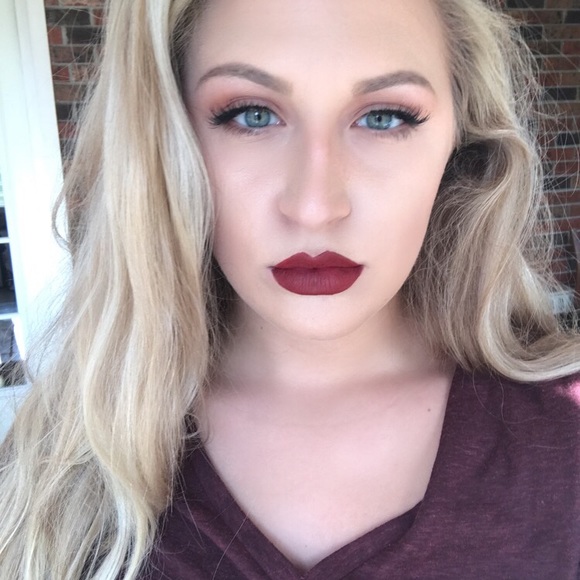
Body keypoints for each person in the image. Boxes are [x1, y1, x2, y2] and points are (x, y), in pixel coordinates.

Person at [1, 0, 579, 578]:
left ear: (459, 139)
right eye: (251, 115)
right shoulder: (54, 471)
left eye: (383, 117)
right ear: (166, 140)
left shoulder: (565, 435)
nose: (315, 207)